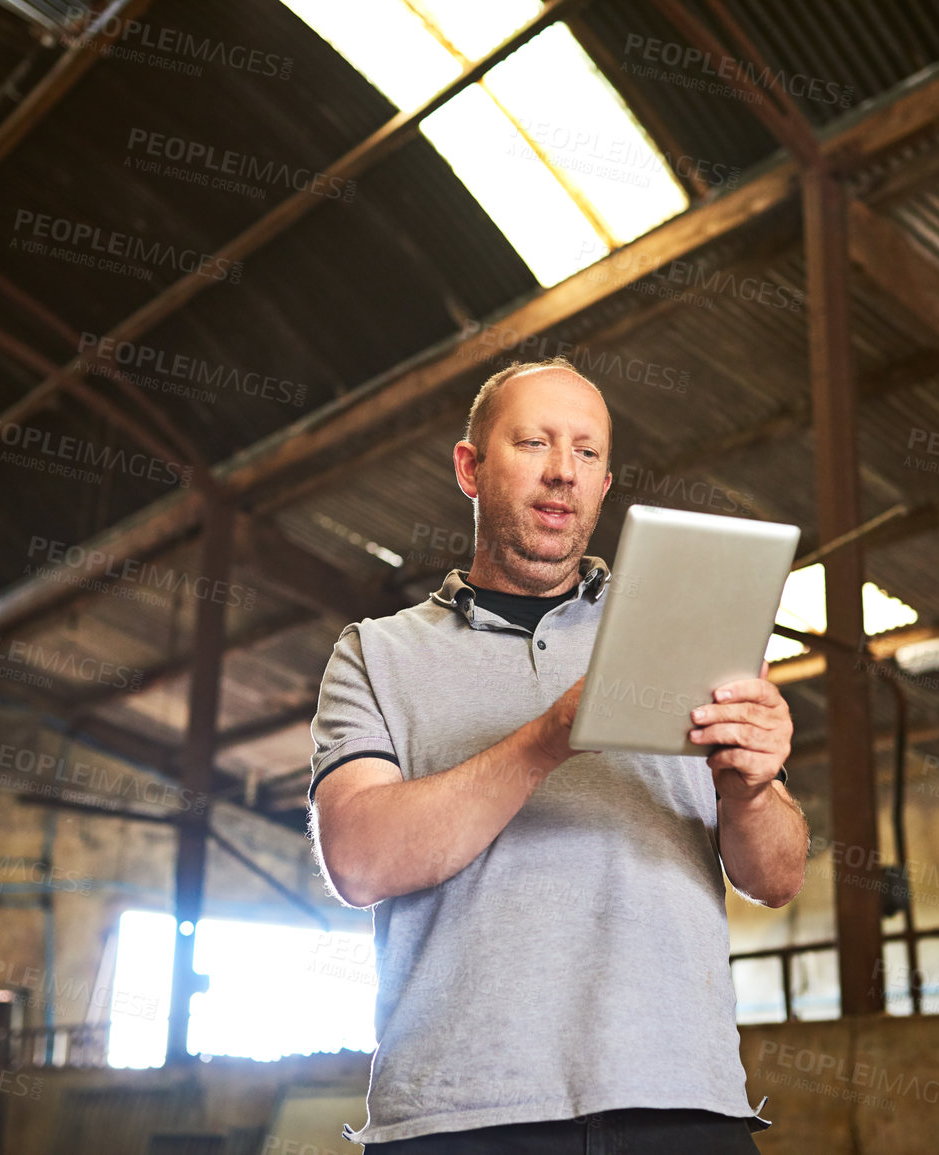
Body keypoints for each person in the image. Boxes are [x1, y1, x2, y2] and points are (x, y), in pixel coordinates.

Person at [307, 357, 810, 1152]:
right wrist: (549, 737)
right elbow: (360, 860)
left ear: (605, 484)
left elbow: (776, 876)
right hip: (461, 1111)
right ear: (470, 468)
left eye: (584, 452)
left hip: (682, 1099)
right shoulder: (377, 653)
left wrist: (749, 788)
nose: (560, 473)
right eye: (533, 442)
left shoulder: (685, 627)